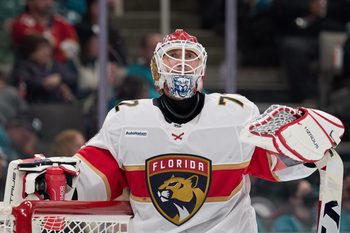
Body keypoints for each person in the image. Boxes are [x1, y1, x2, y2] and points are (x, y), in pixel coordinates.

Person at [73, 29, 342, 232]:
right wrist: (54, 181)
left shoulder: (236, 113)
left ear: (201, 68)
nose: (181, 65)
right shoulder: (127, 119)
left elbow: (272, 163)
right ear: (156, 69)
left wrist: (304, 151)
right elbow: (92, 178)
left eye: (189, 57)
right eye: (171, 57)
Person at [10, 34, 78, 103]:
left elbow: (72, 77)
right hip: (35, 104)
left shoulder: (52, 64)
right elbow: (24, 82)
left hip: (57, 104)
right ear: (30, 51)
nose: (46, 52)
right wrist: (44, 84)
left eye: (47, 49)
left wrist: (60, 80)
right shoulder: (22, 66)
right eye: (41, 49)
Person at [10, 0, 79, 64]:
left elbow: (72, 49)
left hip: (61, 68)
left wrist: (53, 45)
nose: (48, 2)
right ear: (30, 2)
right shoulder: (21, 23)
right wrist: (60, 47)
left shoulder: (62, 23)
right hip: (31, 70)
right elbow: (38, 47)